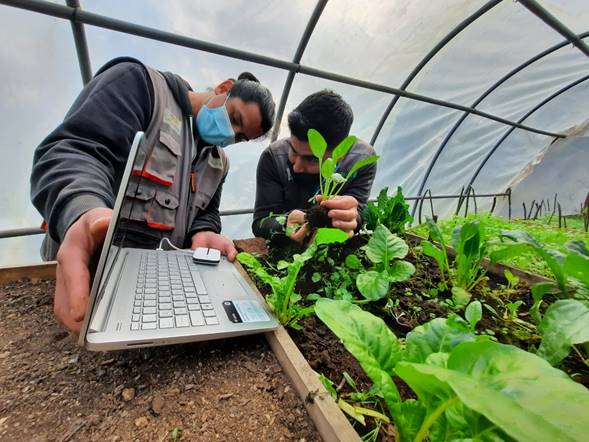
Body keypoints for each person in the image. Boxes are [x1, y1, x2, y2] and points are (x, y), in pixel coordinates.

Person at [31, 57, 275, 334]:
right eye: (234, 119)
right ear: (224, 88)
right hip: (85, 277)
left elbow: (206, 212)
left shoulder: (218, 163)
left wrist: (204, 231)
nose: (230, 134)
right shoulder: (142, 88)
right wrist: (83, 208)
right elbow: (78, 150)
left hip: (147, 294)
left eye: (240, 137)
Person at [252, 90, 376, 242]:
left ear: (340, 154)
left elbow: (359, 210)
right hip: (285, 249)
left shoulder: (361, 160)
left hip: (330, 245)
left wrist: (353, 218)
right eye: (293, 149)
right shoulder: (273, 157)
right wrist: (284, 224)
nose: (296, 167)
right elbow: (260, 222)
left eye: (310, 159)